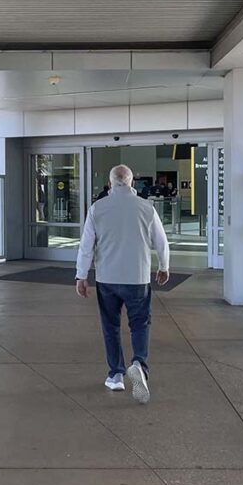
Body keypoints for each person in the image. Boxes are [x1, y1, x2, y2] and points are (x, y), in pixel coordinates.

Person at [75, 164, 170, 404]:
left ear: (109, 184)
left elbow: (86, 245)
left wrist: (81, 275)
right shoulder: (147, 208)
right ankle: (139, 363)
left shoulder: (97, 208)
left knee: (111, 326)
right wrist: (164, 266)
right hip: (137, 277)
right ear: (132, 183)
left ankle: (115, 375)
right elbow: (161, 241)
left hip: (107, 278)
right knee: (140, 324)